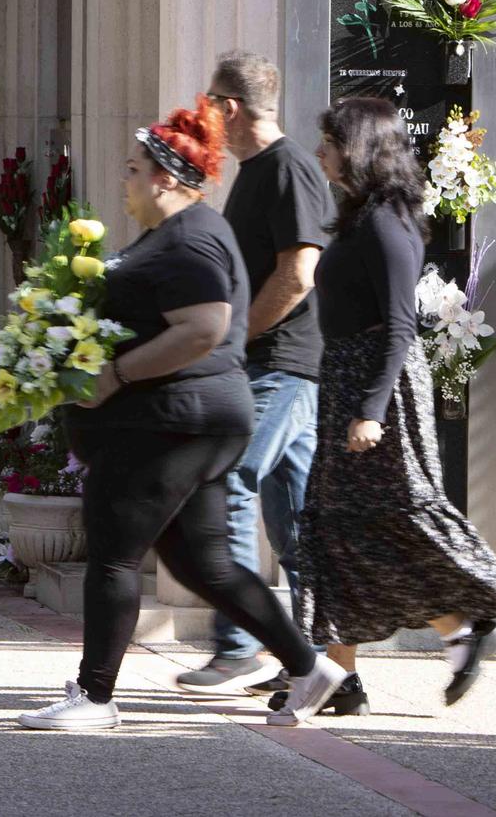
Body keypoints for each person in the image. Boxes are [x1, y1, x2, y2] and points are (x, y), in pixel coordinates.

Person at [19, 99, 345, 733]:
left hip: (170, 424)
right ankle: (309, 668)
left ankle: (94, 696)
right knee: (207, 563)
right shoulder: (178, 235)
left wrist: (113, 373)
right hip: (192, 420)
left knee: (113, 552)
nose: (126, 180)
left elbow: (204, 327)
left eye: (135, 169)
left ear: (168, 178)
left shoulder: (190, 238)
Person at [296, 97, 496, 705]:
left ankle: (472, 611)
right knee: (337, 527)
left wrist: (370, 410)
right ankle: (347, 676)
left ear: (359, 146)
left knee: (397, 515)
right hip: (345, 380)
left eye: (330, 142)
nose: (321, 153)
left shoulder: (387, 222)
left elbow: (399, 327)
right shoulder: (361, 216)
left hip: (376, 389)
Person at [175, 54, 343, 706]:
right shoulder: (257, 172)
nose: (206, 113)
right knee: (298, 522)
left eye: (210, 101)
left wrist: (236, 338)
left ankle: (240, 646)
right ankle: (316, 662)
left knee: (230, 475)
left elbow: (298, 275)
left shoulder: (289, 169)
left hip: (284, 365)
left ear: (232, 107)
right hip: (274, 363)